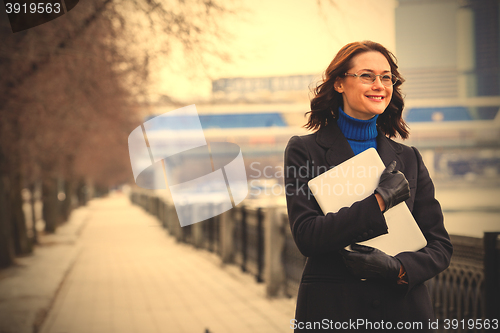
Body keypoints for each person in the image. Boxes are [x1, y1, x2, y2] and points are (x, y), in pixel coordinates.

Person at [284, 41, 453, 332]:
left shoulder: (409, 158)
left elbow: (439, 246)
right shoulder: (304, 150)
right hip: (334, 311)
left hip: (404, 313)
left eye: (386, 77)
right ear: (339, 83)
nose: (379, 85)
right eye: (367, 76)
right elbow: (307, 236)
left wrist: (398, 269)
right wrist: (379, 201)